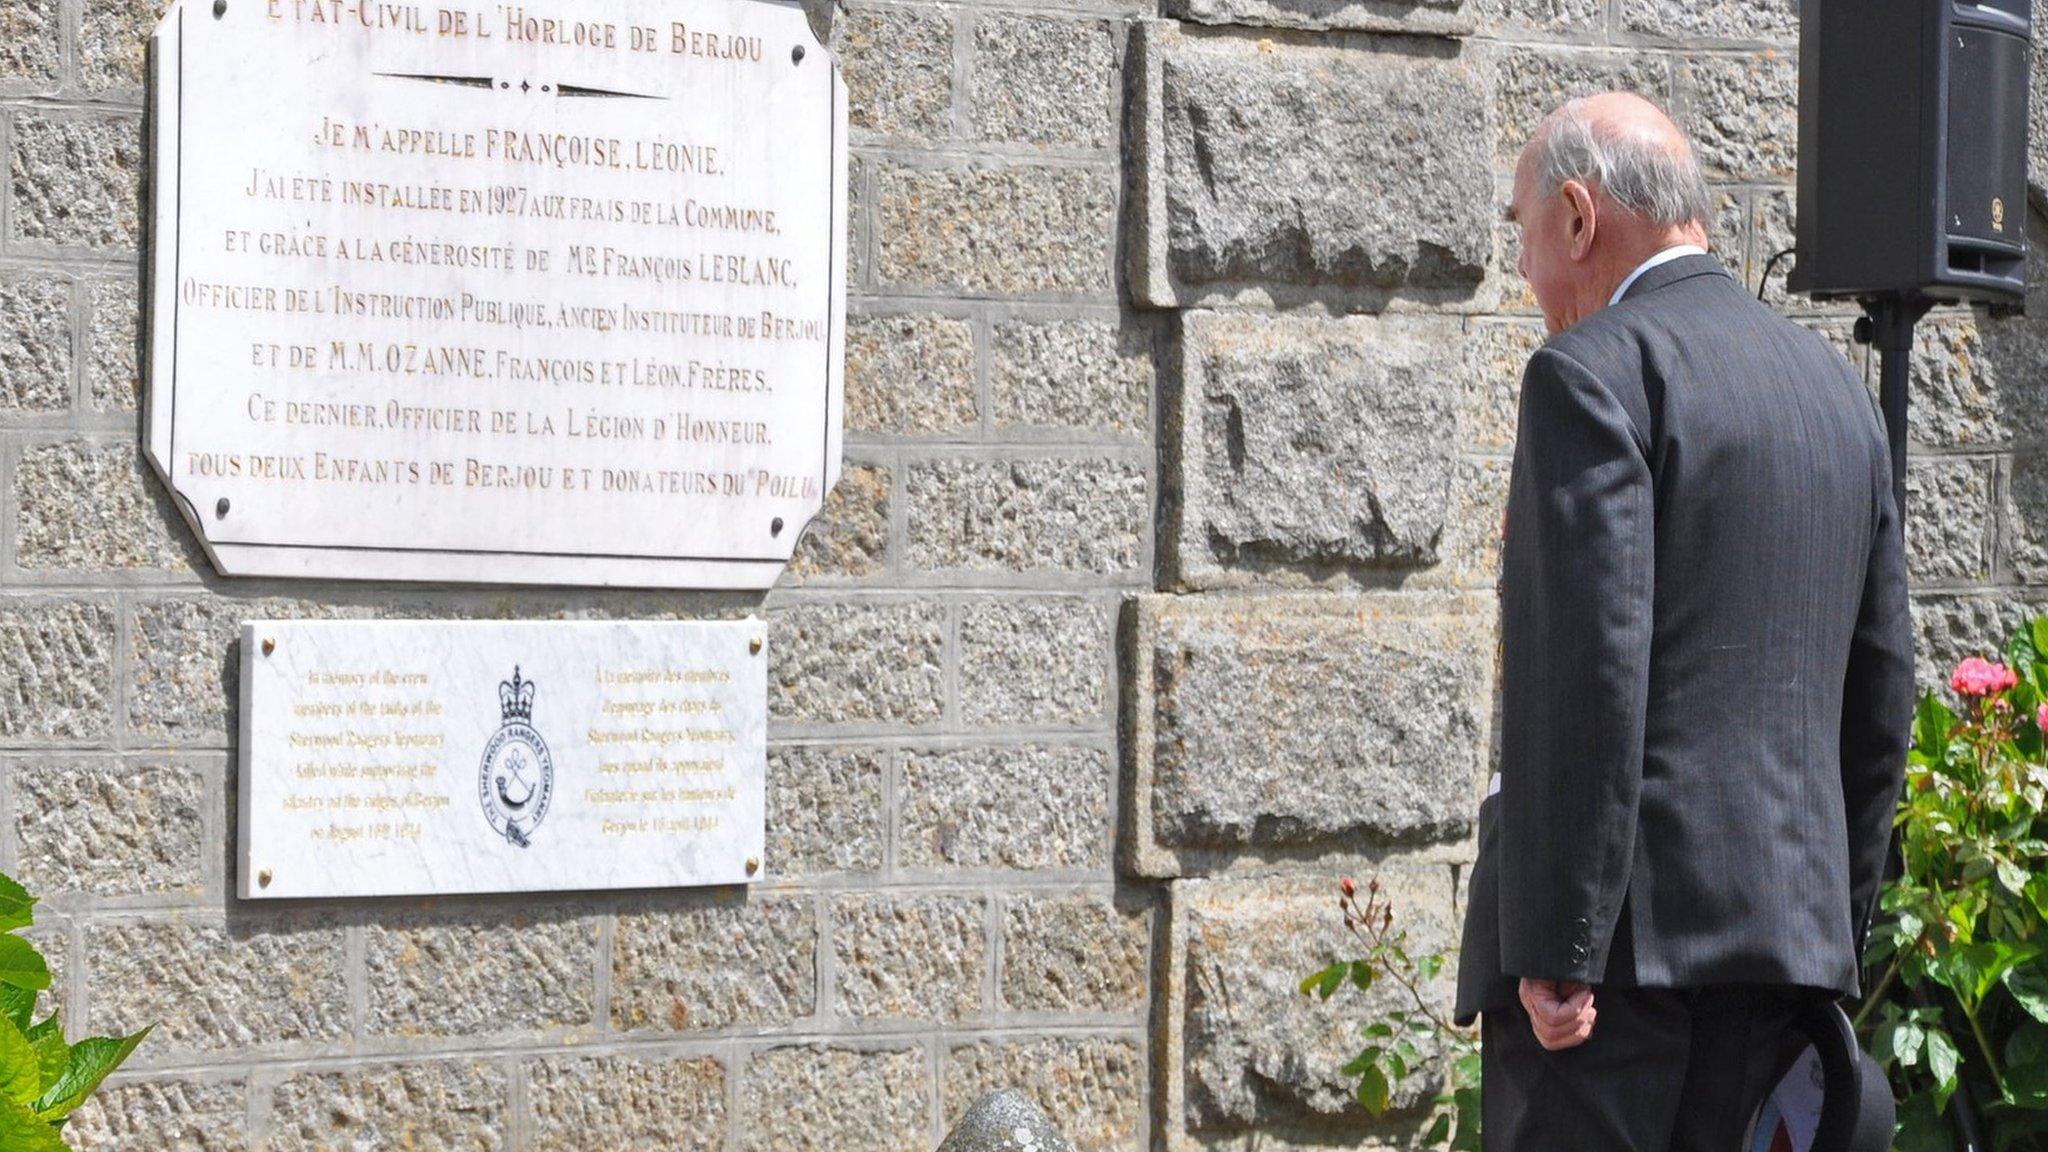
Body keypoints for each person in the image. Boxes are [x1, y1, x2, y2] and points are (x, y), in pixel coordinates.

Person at [1450, 91, 1915, 1151]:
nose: (1521, 272)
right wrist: (1827, 943)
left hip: (1612, 991)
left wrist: (1559, 947)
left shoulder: (1588, 374)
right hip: (1780, 981)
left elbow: (1586, 671)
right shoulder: (1835, 399)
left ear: (1577, 217)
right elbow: (1881, 691)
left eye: (1520, 232)